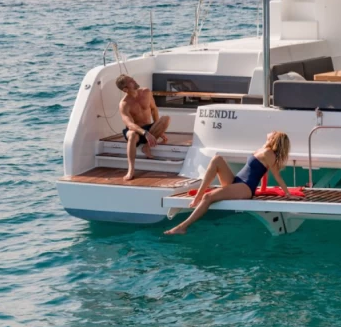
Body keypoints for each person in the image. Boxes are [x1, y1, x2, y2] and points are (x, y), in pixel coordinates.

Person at [164, 131, 299, 235]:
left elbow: (277, 176)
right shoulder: (264, 149)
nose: (271, 132)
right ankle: (198, 195)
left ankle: (183, 227)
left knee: (209, 197)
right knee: (217, 159)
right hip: (237, 182)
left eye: (274, 133)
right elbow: (264, 172)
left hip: (245, 187)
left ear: (275, 139)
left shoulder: (269, 153)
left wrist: (287, 193)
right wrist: (263, 187)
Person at [115, 75, 171, 181]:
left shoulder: (146, 92)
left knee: (166, 119)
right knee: (131, 134)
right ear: (125, 89)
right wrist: (145, 133)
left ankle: (146, 147)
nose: (134, 80)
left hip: (148, 128)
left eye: (132, 78)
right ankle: (131, 170)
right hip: (135, 130)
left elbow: (154, 110)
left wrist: (159, 129)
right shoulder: (124, 104)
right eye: (130, 81)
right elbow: (129, 124)